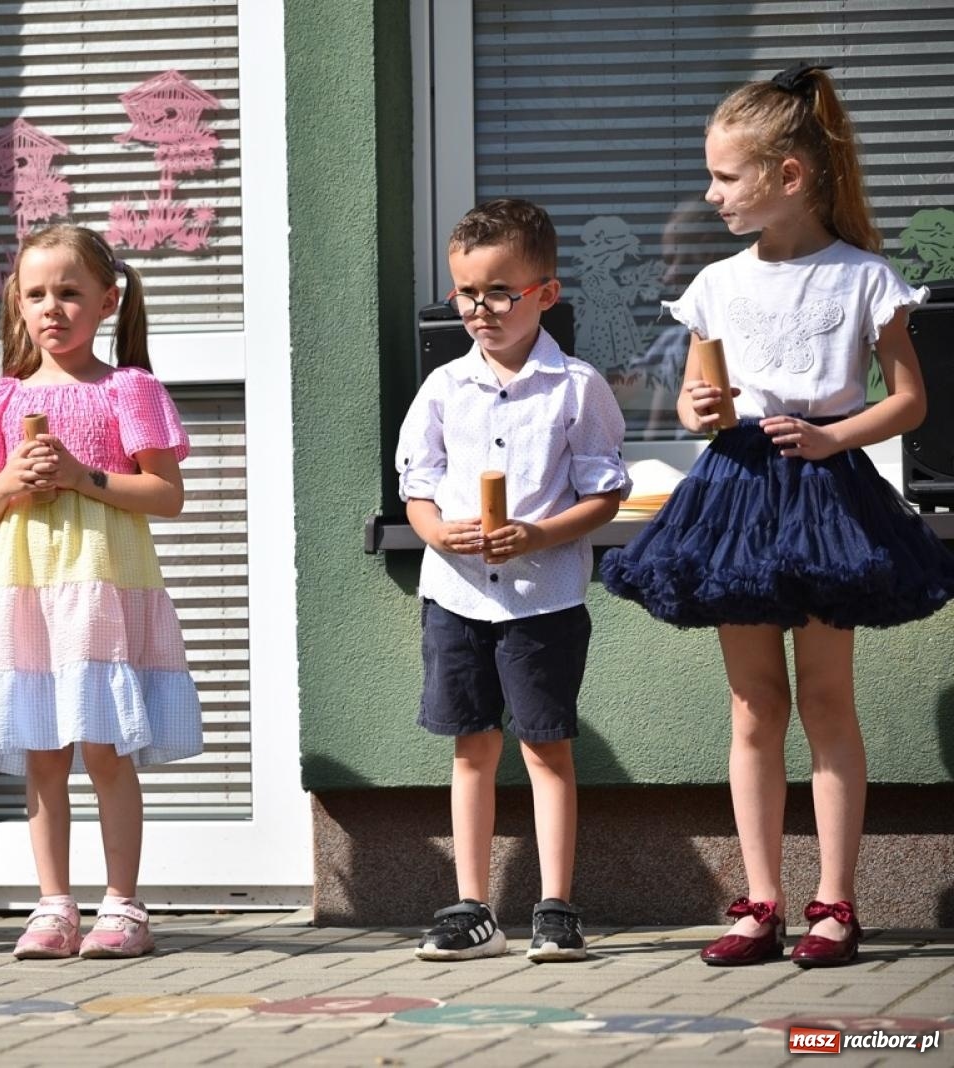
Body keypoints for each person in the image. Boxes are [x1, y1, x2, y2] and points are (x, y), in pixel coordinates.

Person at [601, 64, 954, 968]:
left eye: (725, 177)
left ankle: (836, 901)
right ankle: (759, 900)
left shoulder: (864, 277)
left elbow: (909, 401)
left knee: (828, 699)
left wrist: (839, 439)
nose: (710, 194)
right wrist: (701, 415)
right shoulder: (717, 283)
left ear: (788, 176)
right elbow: (695, 397)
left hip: (827, 488)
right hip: (740, 494)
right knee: (755, 705)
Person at [0, 223, 201, 960]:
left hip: (99, 581)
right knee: (42, 750)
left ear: (107, 300)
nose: (51, 308)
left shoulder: (129, 388)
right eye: (36, 294)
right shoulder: (4, 397)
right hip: (27, 585)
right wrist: (10, 482)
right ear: (17, 305)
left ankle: (123, 904)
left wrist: (81, 478)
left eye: (69, 292)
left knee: (103, 747)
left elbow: (166, 493)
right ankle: (53, 905)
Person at [396, 198, 630, 963]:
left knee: (547, 748)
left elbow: (604, 492)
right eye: (466, 292)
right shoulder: (442, 388)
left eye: (500, 292)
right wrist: (437, 533)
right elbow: (418, 485)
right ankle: (473, 908)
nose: (480, 309)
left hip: (543, 597)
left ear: (545, 295)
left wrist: (538, 533)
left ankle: (556, 905)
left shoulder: (577, 388)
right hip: (457, 595)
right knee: (471, 748)